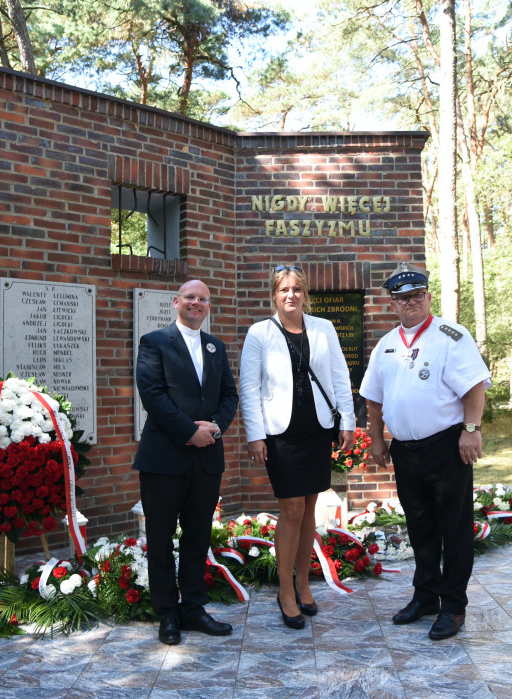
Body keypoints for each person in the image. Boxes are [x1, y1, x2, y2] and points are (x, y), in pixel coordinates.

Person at [360, 262, 491, 640]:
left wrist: (471, 430)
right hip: (406, 450)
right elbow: (373, 400)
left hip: (447, 447)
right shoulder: (386, 344)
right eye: (403, 297)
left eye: (418, 294)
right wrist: (378, 439)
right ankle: (426, 596)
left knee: (454, 527)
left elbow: (474, 387)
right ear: (393, 303)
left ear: (428, 296)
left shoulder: (451, 335)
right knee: (420, 527)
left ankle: (453, 607)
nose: (411, 302)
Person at [239, 265, 355, 629]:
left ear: (306, 294)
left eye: (297, 289)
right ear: (274, 295)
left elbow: (340, 375)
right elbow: (249, 387)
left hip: (317, 429)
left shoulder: (324, 328)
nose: (291, 295)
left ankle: (304, 584)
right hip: (280, 433)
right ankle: (285, 590)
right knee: (290, 508)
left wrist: (347, 421)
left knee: (308, 508)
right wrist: (255, 435)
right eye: (283, 289)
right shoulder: (259, 333)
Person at [133, 279, 239, 645]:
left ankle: (193, 608)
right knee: (161, 539)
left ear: (208, 307)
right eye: (191, 297)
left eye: (203, 299)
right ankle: (167, 613)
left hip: (207, 458)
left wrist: (216, 428)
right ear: (177, 302)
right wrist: (187, 431)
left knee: (197, 537)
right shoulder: (155, 342)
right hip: (164, 458)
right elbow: (152, 394)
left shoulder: (216, 347)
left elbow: (229, 395)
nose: (197, 303)